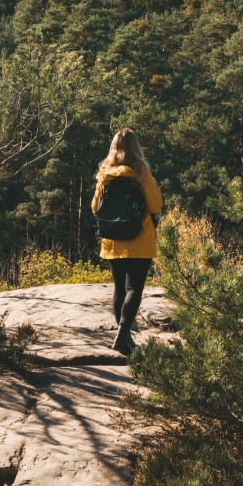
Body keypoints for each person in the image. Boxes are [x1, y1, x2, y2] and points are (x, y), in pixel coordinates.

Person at [91, 128, 163, 355]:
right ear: (136, 147)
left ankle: (124, 336)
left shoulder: (106, 173)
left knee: (119, 289)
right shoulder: (141, 172)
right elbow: (155, 206)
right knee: (134, 288)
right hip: (139, 240)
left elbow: (95, 208)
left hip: (112, 240)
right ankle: (123, 334)